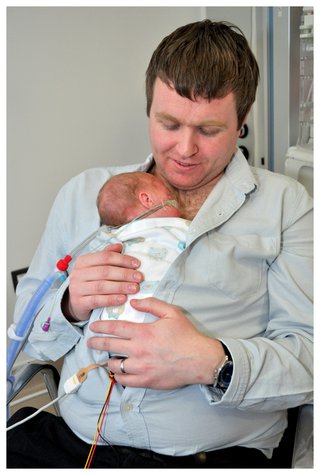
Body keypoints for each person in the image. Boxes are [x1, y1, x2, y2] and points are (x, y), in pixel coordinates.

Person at [7, 19, 313, 469]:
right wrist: (70, 305)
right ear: (148, 107)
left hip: (211, 456)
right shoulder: (86, 193)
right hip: (77, 444)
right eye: (168, 123)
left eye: (208, 130)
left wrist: (211, 362)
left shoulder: (286, 206)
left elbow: (309, 358)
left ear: (242, 121)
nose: (184, 149)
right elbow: (28, 337)